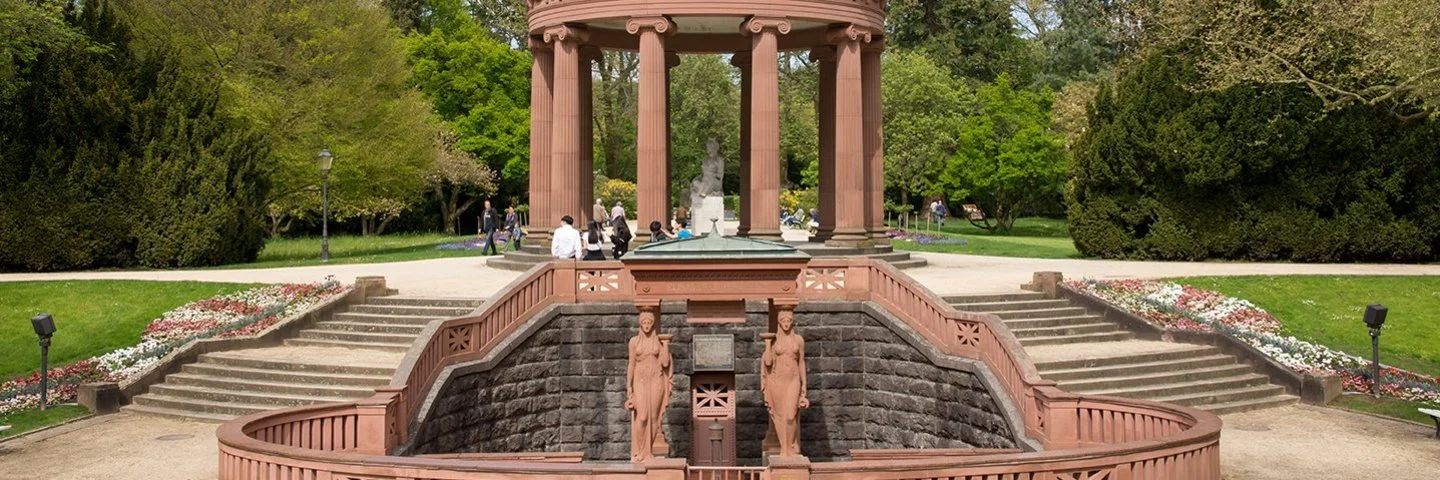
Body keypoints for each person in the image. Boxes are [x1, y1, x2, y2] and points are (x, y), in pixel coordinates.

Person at [625, 308, 672, 462]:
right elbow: (631, 364)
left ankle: (648, 451)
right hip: (640, 380)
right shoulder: (634, 342)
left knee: (654, 417)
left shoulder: (657, 342)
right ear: (640, 323)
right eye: (644, 322)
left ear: (652, 324)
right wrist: (629, 386)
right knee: (643, 416)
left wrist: (665, 345)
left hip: (656, 380)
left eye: (649, 322)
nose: (646, 325)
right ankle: (639, 450)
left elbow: (665, 363)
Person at [762, 309, 808, 457]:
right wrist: (768, 344)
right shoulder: (775, 342)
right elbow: (768, 363)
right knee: (780, 416)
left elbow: (801, 362)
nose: (786, 324)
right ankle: (784, 448)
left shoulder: (799, 340)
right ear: (779, 323)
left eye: (789, 321)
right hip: (777, 381)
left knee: (790, 415)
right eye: (783, 321)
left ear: (792, 322)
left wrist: (804, 385)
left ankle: (791, 445)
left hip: (793, 380)